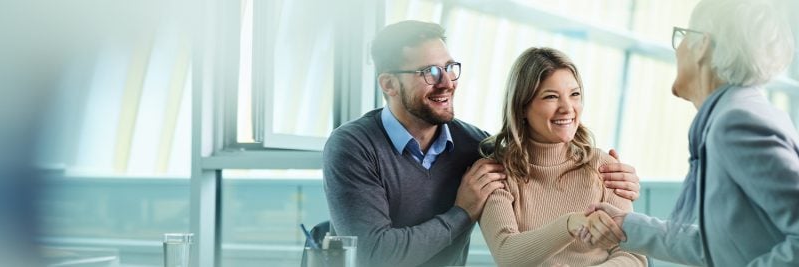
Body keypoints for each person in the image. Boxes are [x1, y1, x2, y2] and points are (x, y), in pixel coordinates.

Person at [322, 20, 644, 267]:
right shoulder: (353, 146)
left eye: (449, 68)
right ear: (389, 84)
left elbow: (633, 252)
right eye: (430, 72)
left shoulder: (474, 146)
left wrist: (626, 181)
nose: (447, 82)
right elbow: (373, 254)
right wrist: (461, 212)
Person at [579, 0, 799, 266]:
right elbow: (720, 248)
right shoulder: (735, 114)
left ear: (702, 45)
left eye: (682, 36)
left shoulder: (736, 124)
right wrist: (626, 225)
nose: (678, 49)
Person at [476, 47, 646, 266]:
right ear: (521, 108)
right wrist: (569, 224)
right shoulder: (496, 174)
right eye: (551, 97)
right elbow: (507, 254)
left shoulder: (604, 166)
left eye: (574, 94)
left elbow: (633, 255)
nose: (567, 108)